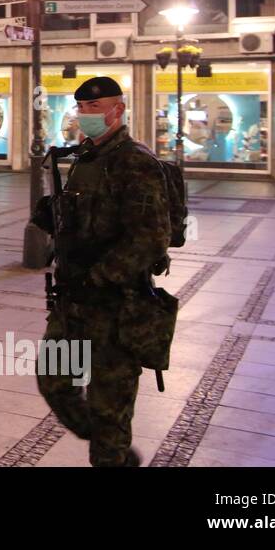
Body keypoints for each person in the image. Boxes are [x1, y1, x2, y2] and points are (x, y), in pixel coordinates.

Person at [34, 76, 171, 467]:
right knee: (54, 382)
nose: (85, 115)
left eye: (94, 108)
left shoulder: (135, 161)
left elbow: (150, 239)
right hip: (73, 304)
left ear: (118, 109)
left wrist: (99, 277)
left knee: (109, 405)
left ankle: (112, 450)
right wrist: (54, 216)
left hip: (115, 309)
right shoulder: (85, 158)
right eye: (81, 108)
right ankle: (108, 440)